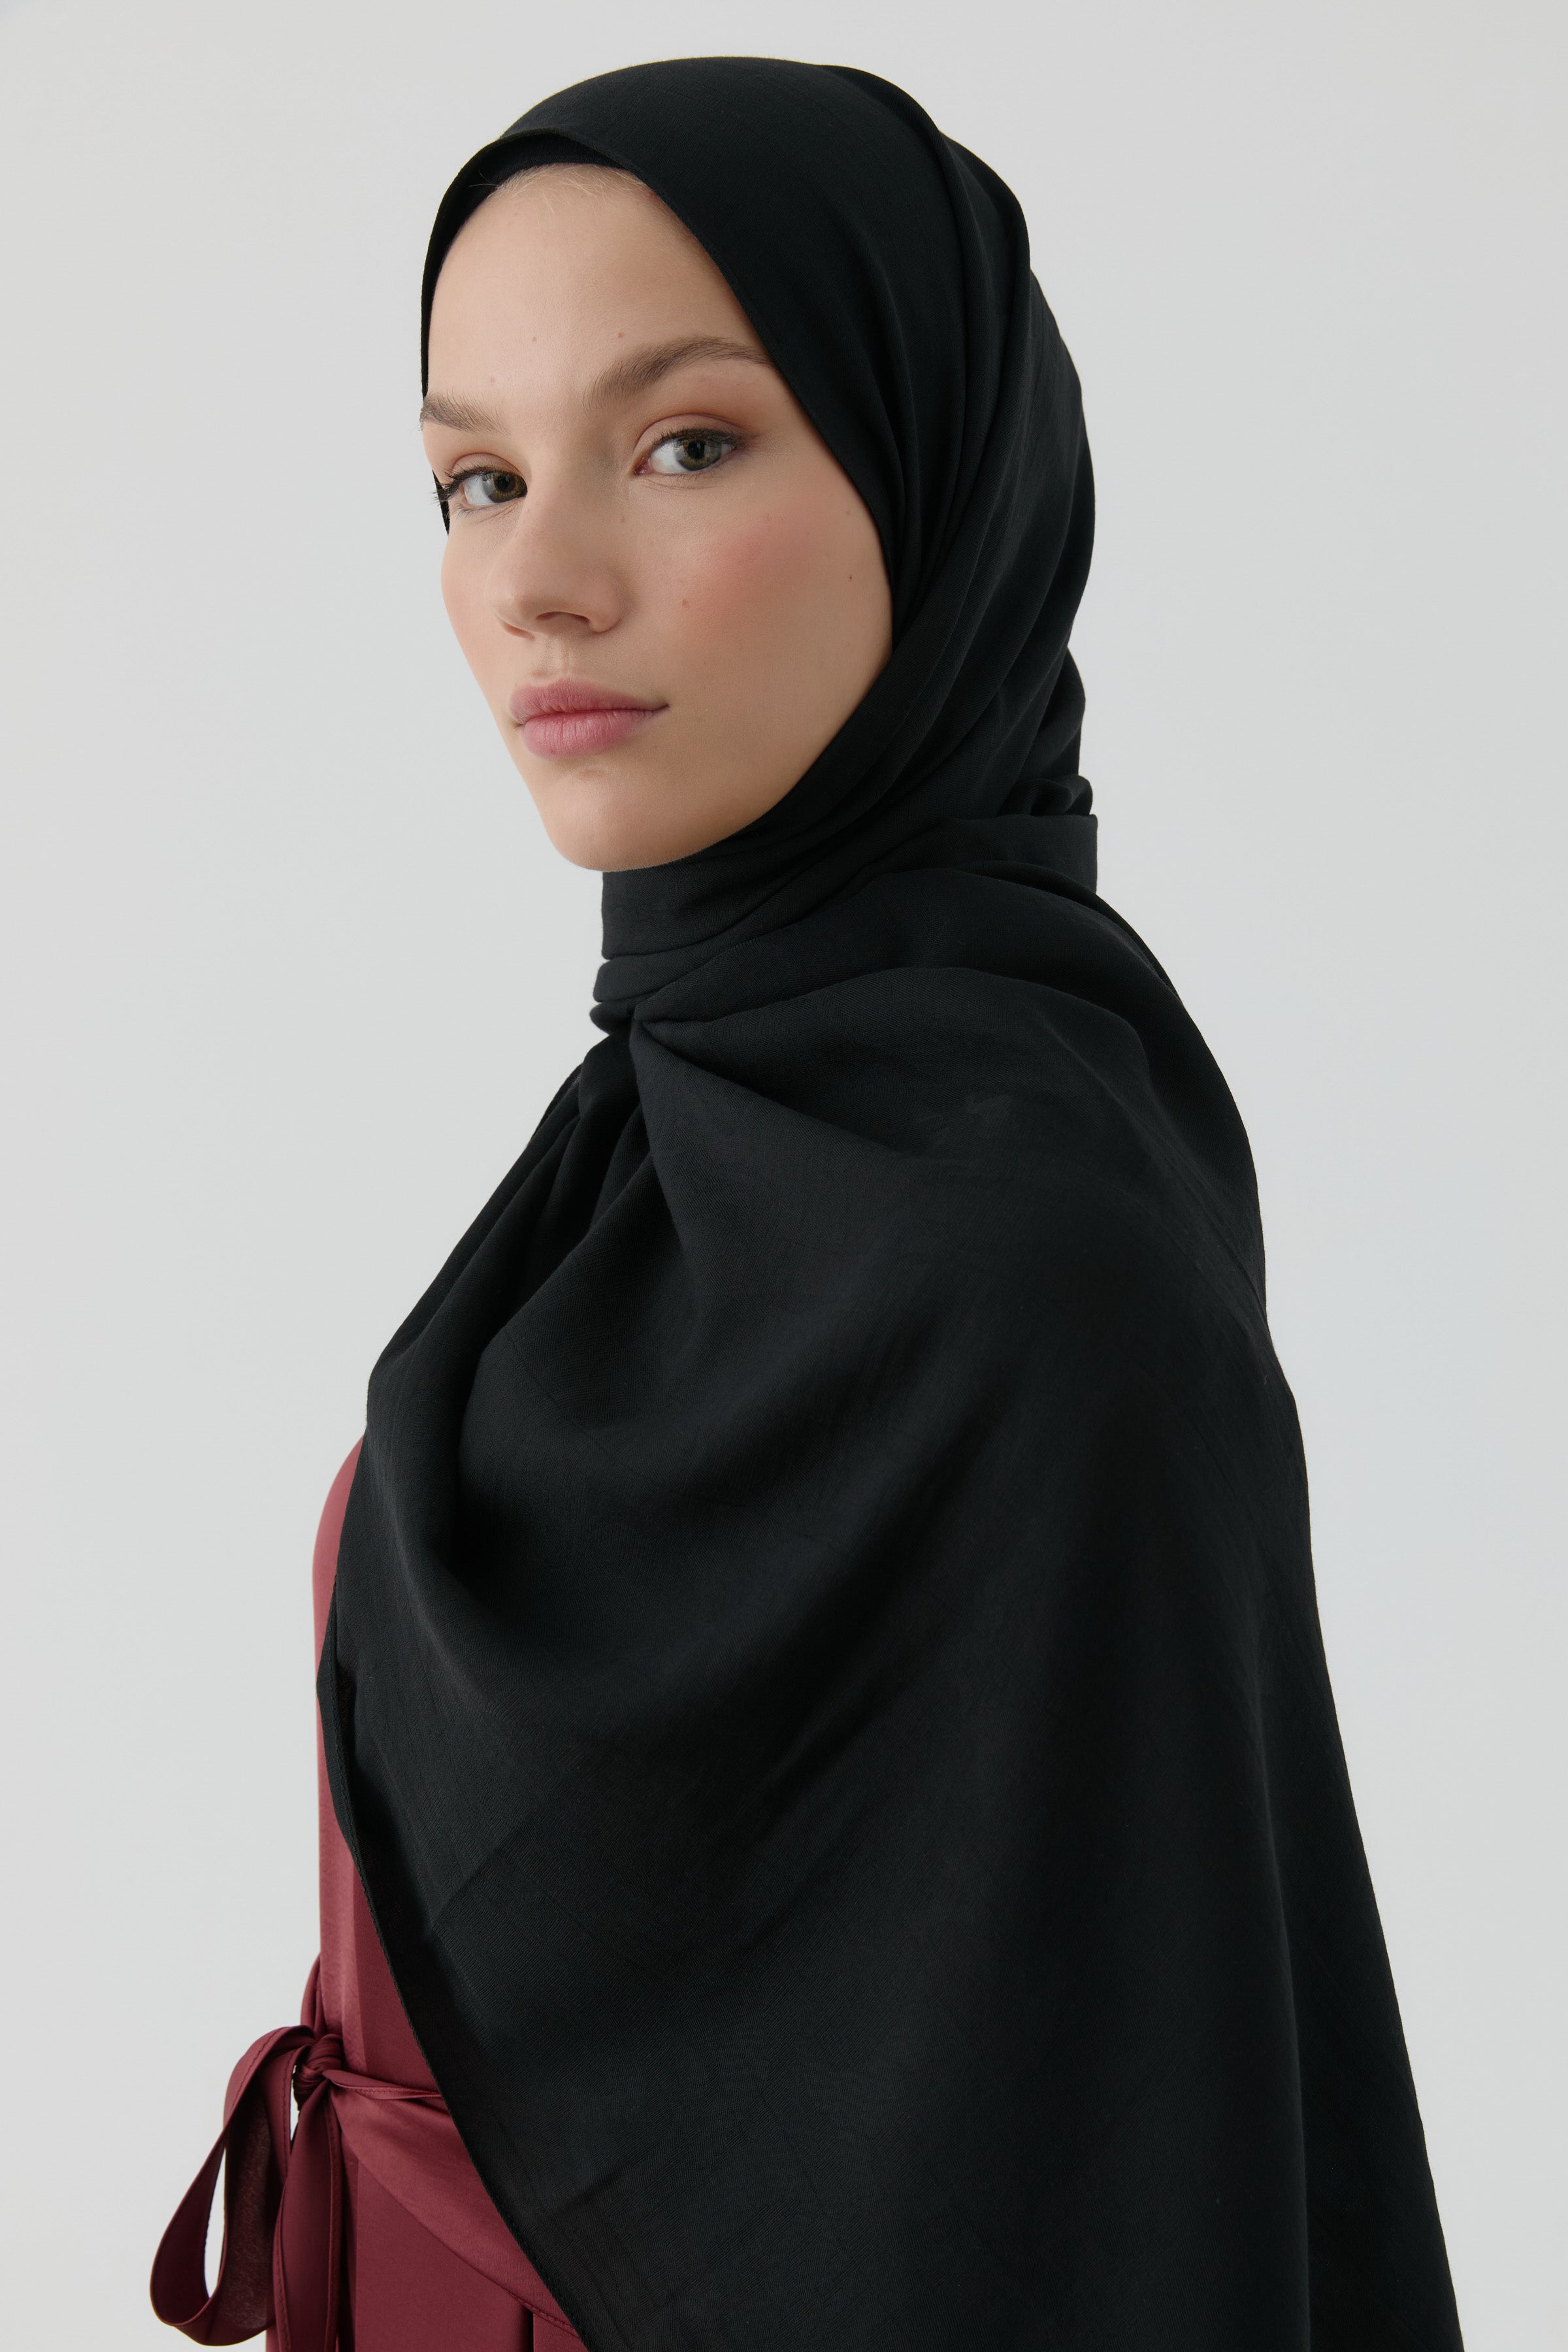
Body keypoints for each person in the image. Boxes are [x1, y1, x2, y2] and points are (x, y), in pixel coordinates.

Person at [153, 57, 1463, 2352]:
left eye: (684, 444)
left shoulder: (1046, 1267)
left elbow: (1114, 2182)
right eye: (475, 478)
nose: (538, 582)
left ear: (940, 483)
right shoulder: (642, 1158)